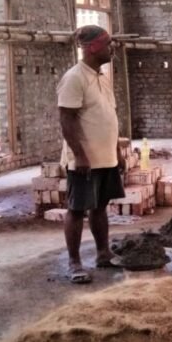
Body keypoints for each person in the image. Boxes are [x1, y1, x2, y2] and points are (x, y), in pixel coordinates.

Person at [57, 25, 125, 284]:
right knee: (77, 209)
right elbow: (67, 120)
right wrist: (80, 155)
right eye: (108, 44)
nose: (112, 49)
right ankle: (74, 262)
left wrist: (117, 151)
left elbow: (111, 117)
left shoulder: (102, 77)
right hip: (84, 160)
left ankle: (103, 253)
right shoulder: (74, 78)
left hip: (105, 157)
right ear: (94, 47)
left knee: (100, 207)